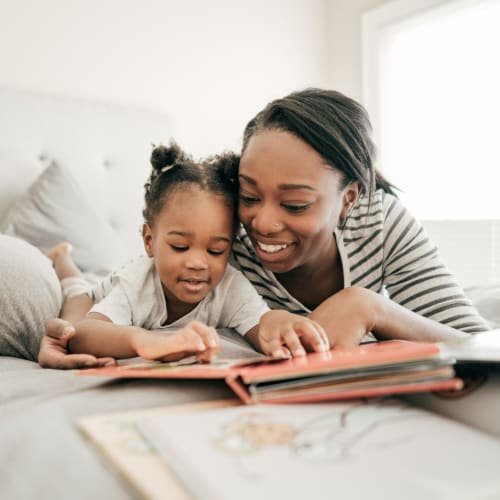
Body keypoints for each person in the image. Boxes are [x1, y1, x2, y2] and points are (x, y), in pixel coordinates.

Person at [39, 88, 488, 369]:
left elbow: (479, 345)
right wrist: (70, 330)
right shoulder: (219, 239)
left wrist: (372, 307)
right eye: (249, 196)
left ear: (350, 197)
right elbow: (132, 301)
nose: (262, 223)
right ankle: (64, 261)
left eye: (295, 203)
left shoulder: (382, 221)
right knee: (82, 283)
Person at [39, 142, 327, 367]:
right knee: (75, 301)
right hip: (98, 293)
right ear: (150, 241)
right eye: (180, 247)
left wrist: (282, 323)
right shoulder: (136, 284)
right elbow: (86, 334)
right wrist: (144, 341)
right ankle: (62, 258)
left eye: (216, 250)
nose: (197, 263)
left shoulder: (230, 286)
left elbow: (260, 322)